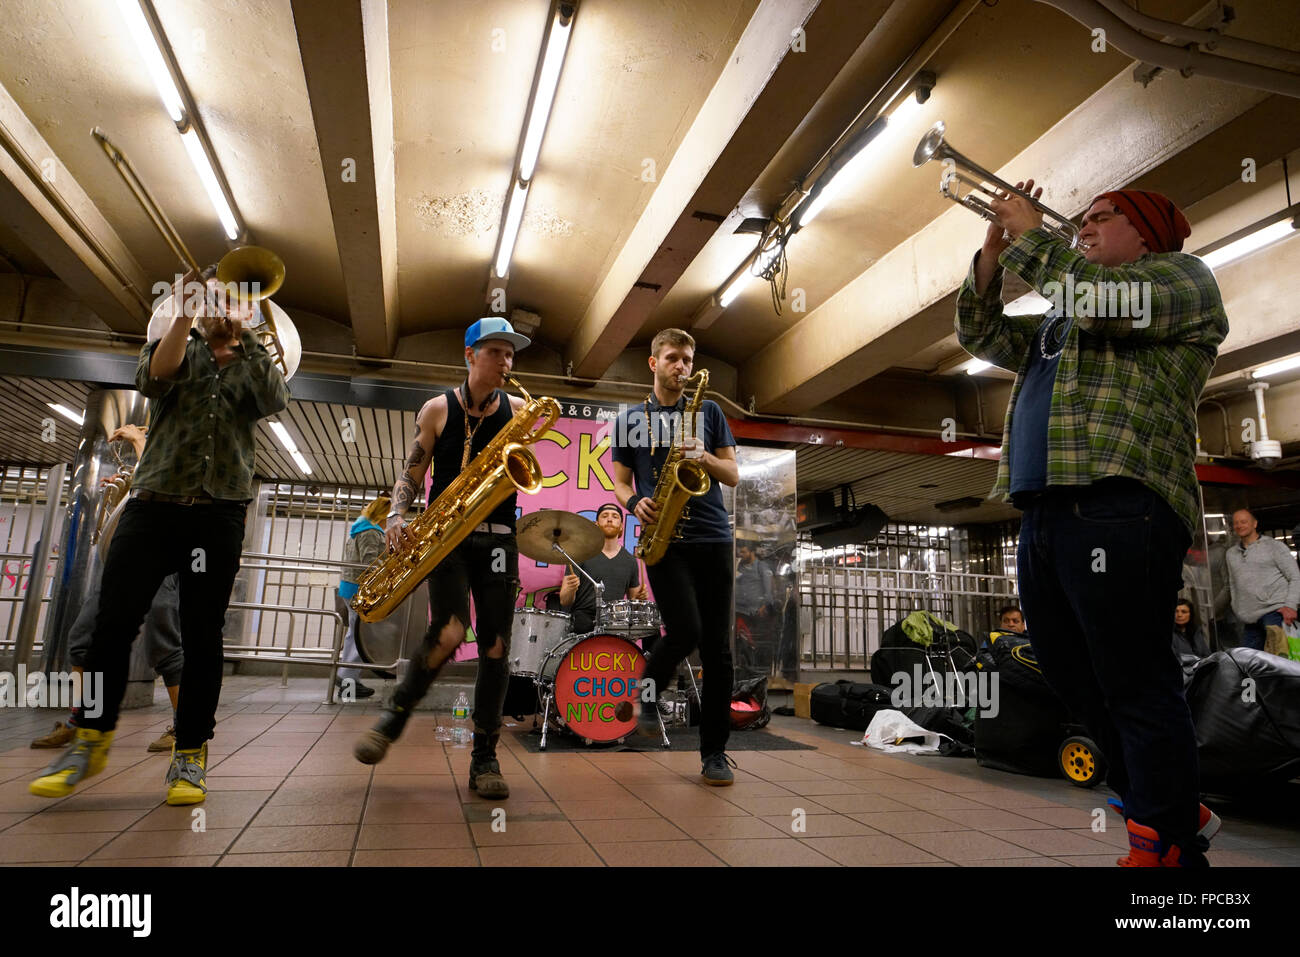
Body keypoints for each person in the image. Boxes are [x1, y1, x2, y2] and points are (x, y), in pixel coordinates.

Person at [956, 185, 1227, 866]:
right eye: (1079, 222)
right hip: (1045, 504)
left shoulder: (1181, 280)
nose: (1082, 228)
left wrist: (1031, 238)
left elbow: (1103, 304)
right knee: (1072, 674)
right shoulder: (1065, 315)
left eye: (1100, 218)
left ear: (1147, 233)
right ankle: (1167, 800)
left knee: (1134, 675)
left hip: (1121, 499)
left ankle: (1166, 844)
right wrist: (992, 258)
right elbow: (982, 334)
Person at [30, 267, 289, 805]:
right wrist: (186, 310)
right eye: (222, 299)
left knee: (202, 637)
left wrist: (253, 330)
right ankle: (90, 738)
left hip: (216, 515)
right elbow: (154, 376)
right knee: (111, 626)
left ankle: (190, 753)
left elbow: (273, 400)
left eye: (236, 302)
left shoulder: (255, 359)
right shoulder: (178, 343)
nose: (228, 307)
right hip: (152, 506)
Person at [351, 317, 531, 801]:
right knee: (450, 631)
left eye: (511, 353)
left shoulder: (517, 410)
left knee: (494, 646)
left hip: (497, 539)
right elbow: (412, 472)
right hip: (444, 538)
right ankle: (395, 716)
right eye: (496, 351)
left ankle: (485, 756)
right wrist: (396, 515)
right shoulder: (436, 409)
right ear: (470, 355)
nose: (506, 361)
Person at [611, 327, 739, 785]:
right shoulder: (629, 419)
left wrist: (703, 457)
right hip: (663, 539)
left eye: (687, 359)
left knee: (718, 651)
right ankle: (647, 697)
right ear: (653, 363)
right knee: (684, 630)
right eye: (672, 358)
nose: (681, 367)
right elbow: (621, 480)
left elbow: (734, 475)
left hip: (712, 537)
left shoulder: (708, 411)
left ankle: (714, 754)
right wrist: (631, 503)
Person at [32, 424, 183, 753]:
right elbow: (142, 491)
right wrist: (121, 487)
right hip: (119, 560)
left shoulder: (185, 446)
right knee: (83, 639)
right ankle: (84, 719)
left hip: (160, 556)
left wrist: (139, 439)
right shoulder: (154, 453)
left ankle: (184, 729)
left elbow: (161, 480)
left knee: (164, 643)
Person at [555, 503, 646, 633]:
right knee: (582, 623)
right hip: (583, 619)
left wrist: (641, 598)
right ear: (596, 524)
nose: (609, 519)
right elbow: (564, 600)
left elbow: (635, 603)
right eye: (604, 516)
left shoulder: (630, 561)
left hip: (615, 621)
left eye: (615, 516)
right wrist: (570, 588)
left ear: (621, 527)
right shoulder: (581, 554)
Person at [335, 494, 392, 699]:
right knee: (361, 634)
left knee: (354, 633)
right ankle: (347, 678)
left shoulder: (360, 528)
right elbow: (369, 562)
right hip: (359, 589)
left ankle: (347, 677)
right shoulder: (369, 531)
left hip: (351, 587)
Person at [1224, 508, 1299, 651]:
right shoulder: (1231, 554)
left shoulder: (1274, 546)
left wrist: (1291, 605)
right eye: (1236, 523)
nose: (1239, 525)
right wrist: (1236, 607)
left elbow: (1295, 576)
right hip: (1249, 617)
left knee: (1281, 660)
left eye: (1244, 522)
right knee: (1249, 662)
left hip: (1275, 612)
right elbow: (1232, 584)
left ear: (1255, 524)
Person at [734, 540, 774, 671]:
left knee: (755, 642)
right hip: (740, 610)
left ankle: (756, 668)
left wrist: (765, 605)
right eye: (740, 551)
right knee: (742, 641)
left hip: (756, 612)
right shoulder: (739, 567)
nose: (741, 554)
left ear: (751, 552)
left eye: (744, 551)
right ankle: (744, 667)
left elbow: (768, 589)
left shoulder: (761, 567)